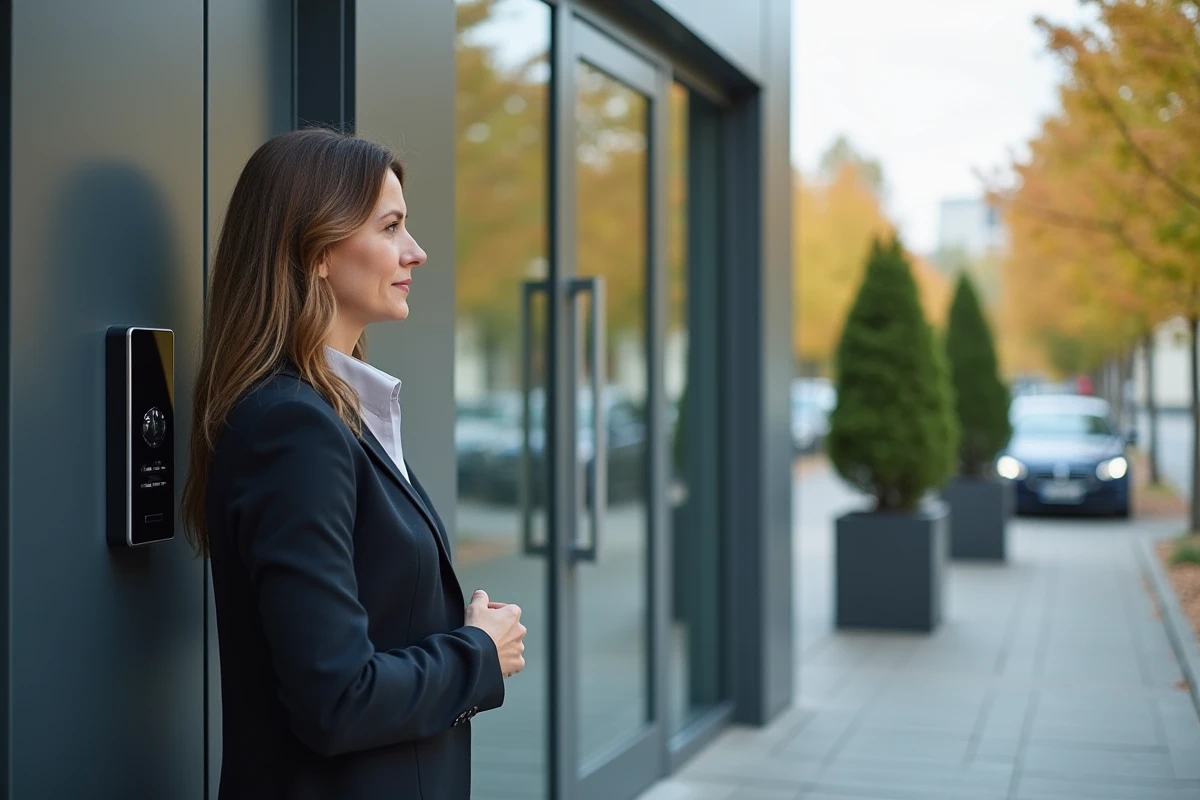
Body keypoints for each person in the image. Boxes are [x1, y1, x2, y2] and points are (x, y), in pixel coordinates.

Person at [181, 128, 527, 799]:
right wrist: (477, 653)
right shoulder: (292, 430)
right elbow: (336, 696)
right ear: (314, 250)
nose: (416, 252)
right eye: (391, 226)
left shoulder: (330, 413)